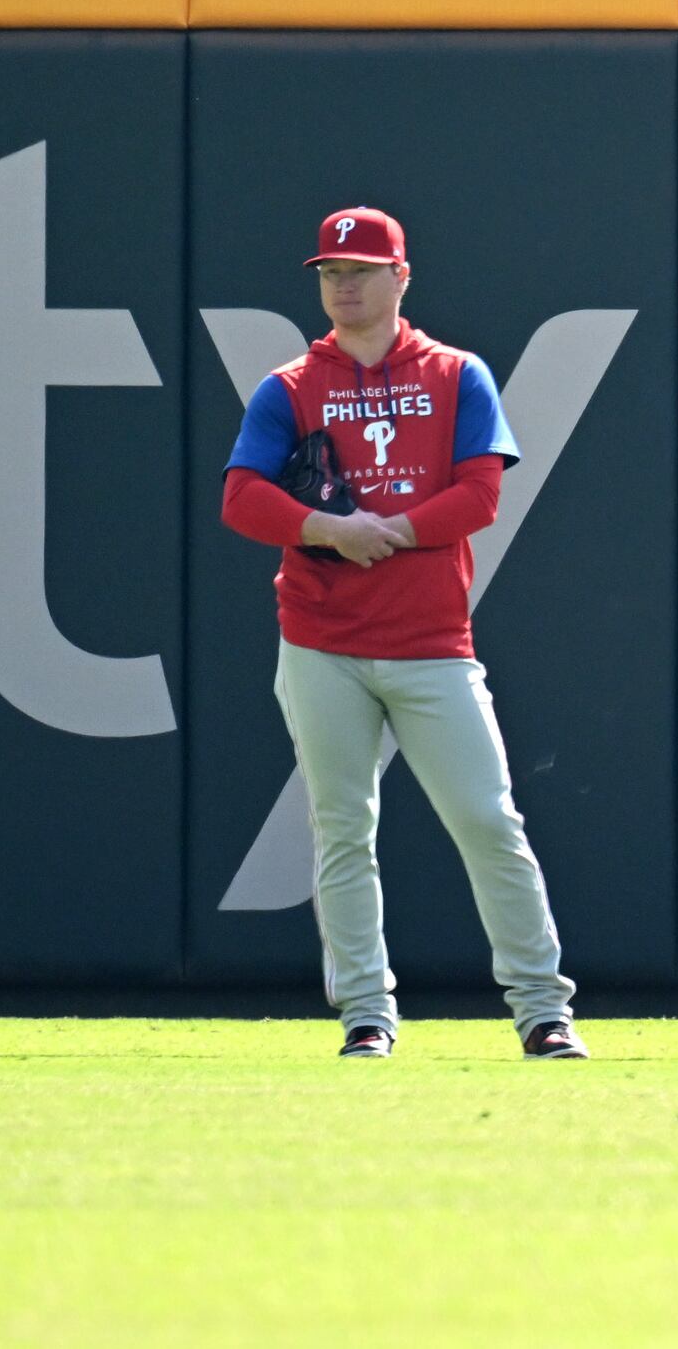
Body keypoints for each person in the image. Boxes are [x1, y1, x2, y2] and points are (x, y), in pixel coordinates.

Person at [218, 205, 583, 1062]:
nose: (342, 285)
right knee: (343, 828)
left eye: (359, 270)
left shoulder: (456, 374)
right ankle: (366, 1015)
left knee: (489, 821)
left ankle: (542, 1009)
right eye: (329, 273)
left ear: (400, 279)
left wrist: (388, 529)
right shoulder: (292, 386)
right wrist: (327, 528)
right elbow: (241, 497)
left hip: (431, 642)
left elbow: (482, 493)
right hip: (321, 638)